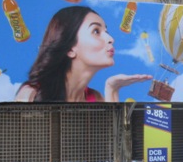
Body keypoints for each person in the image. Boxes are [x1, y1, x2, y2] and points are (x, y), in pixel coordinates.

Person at [15, 6, 151, 102]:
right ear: (70, 48)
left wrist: (112, 89)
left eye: (106, 31)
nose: (110, 39)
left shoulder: (95, 97)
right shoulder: (31, 94)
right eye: (96, 31)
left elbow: (110, 139)